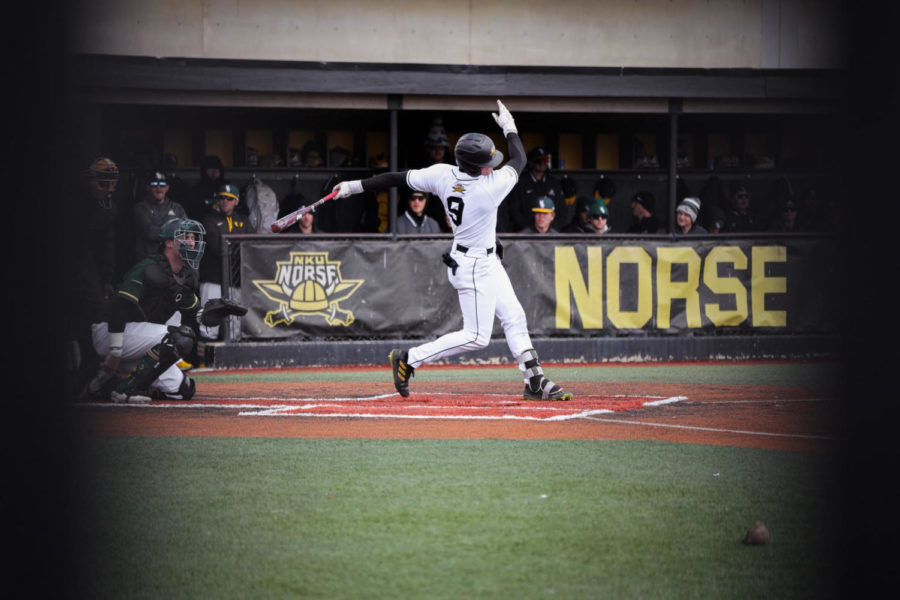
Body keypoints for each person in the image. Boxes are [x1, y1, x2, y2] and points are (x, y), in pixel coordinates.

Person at [331, 100, 572, 401]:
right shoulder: (489, 187)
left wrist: (353, 186)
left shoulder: (442, 174)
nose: (492, 166)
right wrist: (509, 127)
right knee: (476, 337)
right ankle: (409, 359)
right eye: (488, 163)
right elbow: (520, 160)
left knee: (514, 315)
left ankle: (534, 380)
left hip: (483, 258)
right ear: (475, 166)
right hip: (472, 265)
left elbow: (396, 178)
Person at [87, 218, 207, 403]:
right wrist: (115, 351)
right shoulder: (148, 267)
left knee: (184, 389)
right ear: (168, 242)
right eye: (186, 237)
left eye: (193, 238)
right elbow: (120, 307)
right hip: (111, 332)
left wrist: (215, 312)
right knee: (180, 337)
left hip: (140, 341)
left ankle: (105, 386)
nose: (192, 243)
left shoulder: (184, 276)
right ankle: (126, 388)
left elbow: (197, 313)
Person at [64, 156, 121, 396]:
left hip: (85, 264)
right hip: (65, 260)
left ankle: (89, 371)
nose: (108, 189)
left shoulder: (108, 208)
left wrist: (106, 278)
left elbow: (106, 246)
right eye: (103, 183)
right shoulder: (71, 203)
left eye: (111, 184)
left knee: (91, 315)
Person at [199, 182, 253, 341]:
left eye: (229, 199)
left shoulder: (243, 220)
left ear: (236, 201)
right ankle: (204, 363)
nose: (225, 201)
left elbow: (251, 247)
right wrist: (238, 248)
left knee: (235, 326)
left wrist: (232, 247)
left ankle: (234, 362)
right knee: (208, 324)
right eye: (221, 198)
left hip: (235, 280)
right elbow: (217, 247)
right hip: (213, 278)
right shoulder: (209, 219)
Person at [502, 146, 567, 233]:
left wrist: (551, 230)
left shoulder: (554, 183)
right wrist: (530, 230)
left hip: (551, 233)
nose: (542, 163)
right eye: (538, 160)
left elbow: (562, 211)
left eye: (545, 160)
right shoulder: (520, 183)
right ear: (531, 162)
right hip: (525, 234)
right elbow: (514, 211)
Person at [132, 170, 187, 261]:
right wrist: (174, 230)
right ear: (148, 188)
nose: (158, 187)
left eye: (162, 184)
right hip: (147, 261)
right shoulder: (140, 208)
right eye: (154, 184)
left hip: (171, 261)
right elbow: (150, 233)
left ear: (167, 188)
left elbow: (186, 232)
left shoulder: (177, 208)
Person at [184, 155, 226, 221]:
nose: (214, 172)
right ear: (204, 171)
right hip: (203, 224)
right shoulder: (196, 190)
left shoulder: (226, 188)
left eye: (216, 169)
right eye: (210, 169)